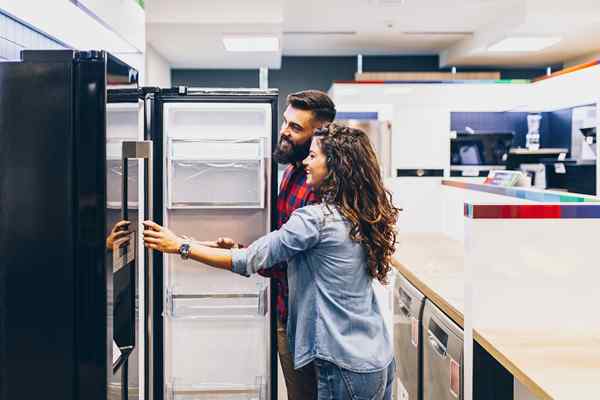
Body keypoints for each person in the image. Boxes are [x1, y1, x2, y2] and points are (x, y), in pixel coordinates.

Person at [143, 123, 400, 399]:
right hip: (377, 359)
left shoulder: (316, 219)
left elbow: (248, 260)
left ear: (336, 165)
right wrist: (202, 243)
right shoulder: (360, 213)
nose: (305, 162)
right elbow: (277, 253)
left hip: (342, 363)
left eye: (313, 156)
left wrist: (180, 246)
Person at [211, 90, 336, 399]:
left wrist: (186, 248)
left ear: (321, 133)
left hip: (314, 323)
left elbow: (286, 254)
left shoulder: (322, 189)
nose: (284, 131)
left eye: (296, 127)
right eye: (285, 122)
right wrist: (242, 248)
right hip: (286, 309)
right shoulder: (293, 170)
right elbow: (283, 245)